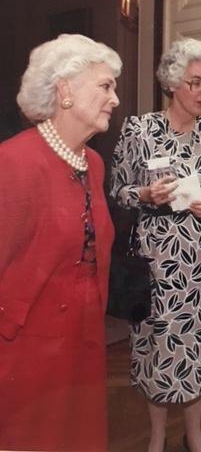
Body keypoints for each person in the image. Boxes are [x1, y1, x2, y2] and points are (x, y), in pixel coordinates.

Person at [110, 38, 201, 452]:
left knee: (196, 348)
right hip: (156, 266)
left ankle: (194, 432)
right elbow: (118, 189)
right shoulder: (139, 129)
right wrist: (144, 195)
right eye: (195, 82)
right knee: (156, 350)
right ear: (173, 82)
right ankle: (159, 435)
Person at [0, 34, 121, 451]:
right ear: (65, 90)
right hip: (24, 353)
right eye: (105, 86)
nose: (115, 98)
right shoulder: (13, 163)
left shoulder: (94, 163)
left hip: (84, 344)